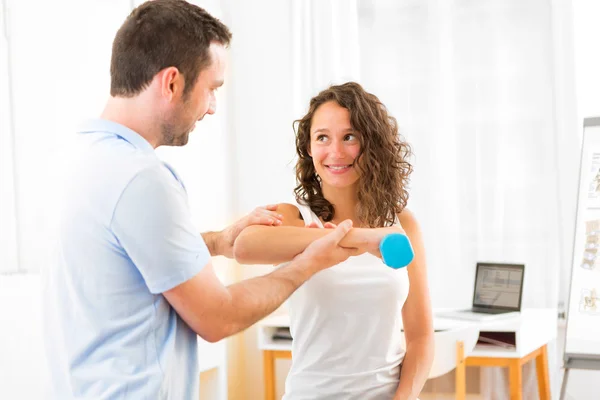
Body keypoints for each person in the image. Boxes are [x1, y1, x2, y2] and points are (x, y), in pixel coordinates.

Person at [41, 1, 361, 399]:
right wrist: (307, 264)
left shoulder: (87, 158)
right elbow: (218, 317)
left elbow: (129, 255)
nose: (211, 108)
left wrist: (215, 242)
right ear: (172, 83)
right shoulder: (142, 179)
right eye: (212, 89)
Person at [233, 82, 435, 399]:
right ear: (309, 147)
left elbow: (421, 336)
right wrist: (367, 239)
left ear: (371, 143)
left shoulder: (403, 224)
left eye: (349, 137)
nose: (336, 152)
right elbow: (244, 246)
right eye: (323, 137)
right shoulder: (294, 218)